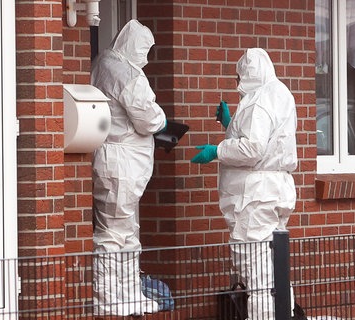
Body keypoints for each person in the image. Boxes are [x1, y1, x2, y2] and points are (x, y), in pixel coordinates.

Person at [191, 48, 298, 319]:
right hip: (272, 190)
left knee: (255, 270)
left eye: (239, 75)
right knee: (275, 268)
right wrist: (231, 125)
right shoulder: (278, 92)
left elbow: (253, 149)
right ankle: (285, 314)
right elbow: (264, 138)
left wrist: (217, 150)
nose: (238, 82)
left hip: (255, 198)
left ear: (249, 73)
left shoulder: (258, 101)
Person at [90, 19, 167, 316]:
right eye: (144, 50)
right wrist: (161, 119)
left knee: (125, 230)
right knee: (114, 233)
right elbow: (149, 118)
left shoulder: (102, 63)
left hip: (111, 158)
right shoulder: (126, 74)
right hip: (121, 163)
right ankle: (109, 300)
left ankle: (127, 294)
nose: (145, 58)